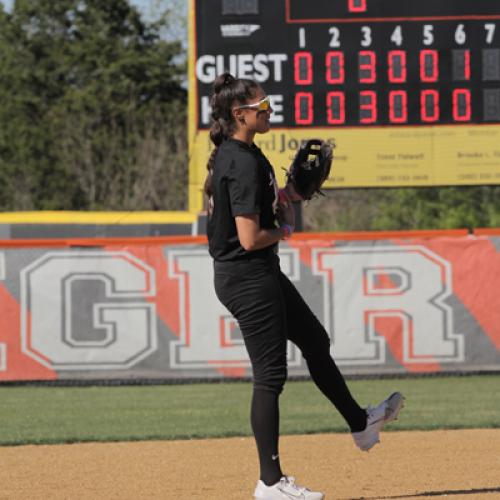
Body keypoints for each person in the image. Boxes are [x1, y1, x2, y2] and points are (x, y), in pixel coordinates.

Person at [205, 72, 404, 500]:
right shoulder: (239, 161)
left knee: (315, 340)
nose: (269, 110)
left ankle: (360, 424)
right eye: (261, 106)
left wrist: (290, 196)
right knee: (270, 376)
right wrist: (286, 231)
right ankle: (270, 482)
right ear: (239, 114)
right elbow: (248, 237)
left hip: (258, 272)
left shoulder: (243, 154)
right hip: (246, 275)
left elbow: (265, 211)